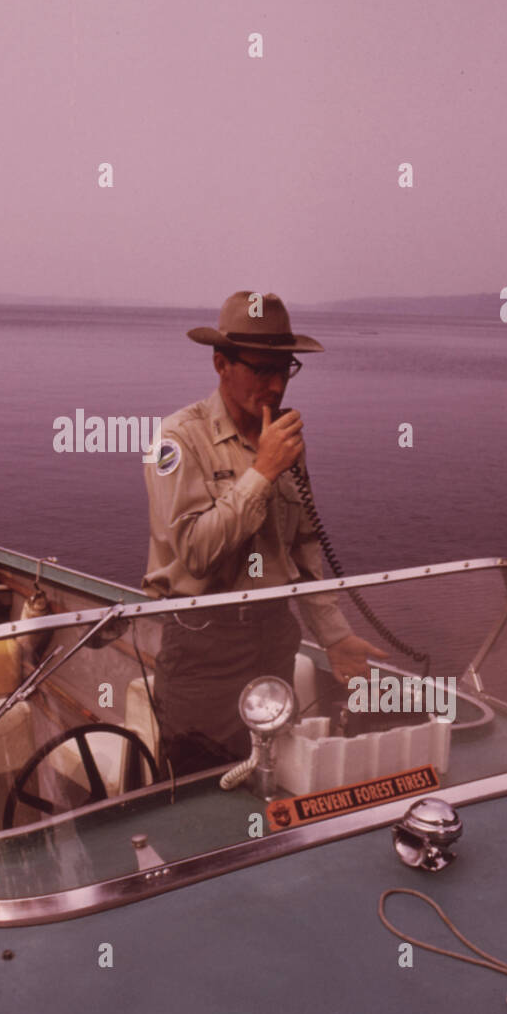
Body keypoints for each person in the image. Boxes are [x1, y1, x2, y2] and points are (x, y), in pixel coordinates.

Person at [142, 290, 386, 775]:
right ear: (220, 364)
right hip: (203, 645)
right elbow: (194, 553)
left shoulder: (283, 439)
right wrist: (262, 472)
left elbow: (305, 548)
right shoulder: (176, 439)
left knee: (273, 775)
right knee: (198, 783)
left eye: (285, 370)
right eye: (260, 370)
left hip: (274, 637)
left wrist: (334, 636)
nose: (275, 386)